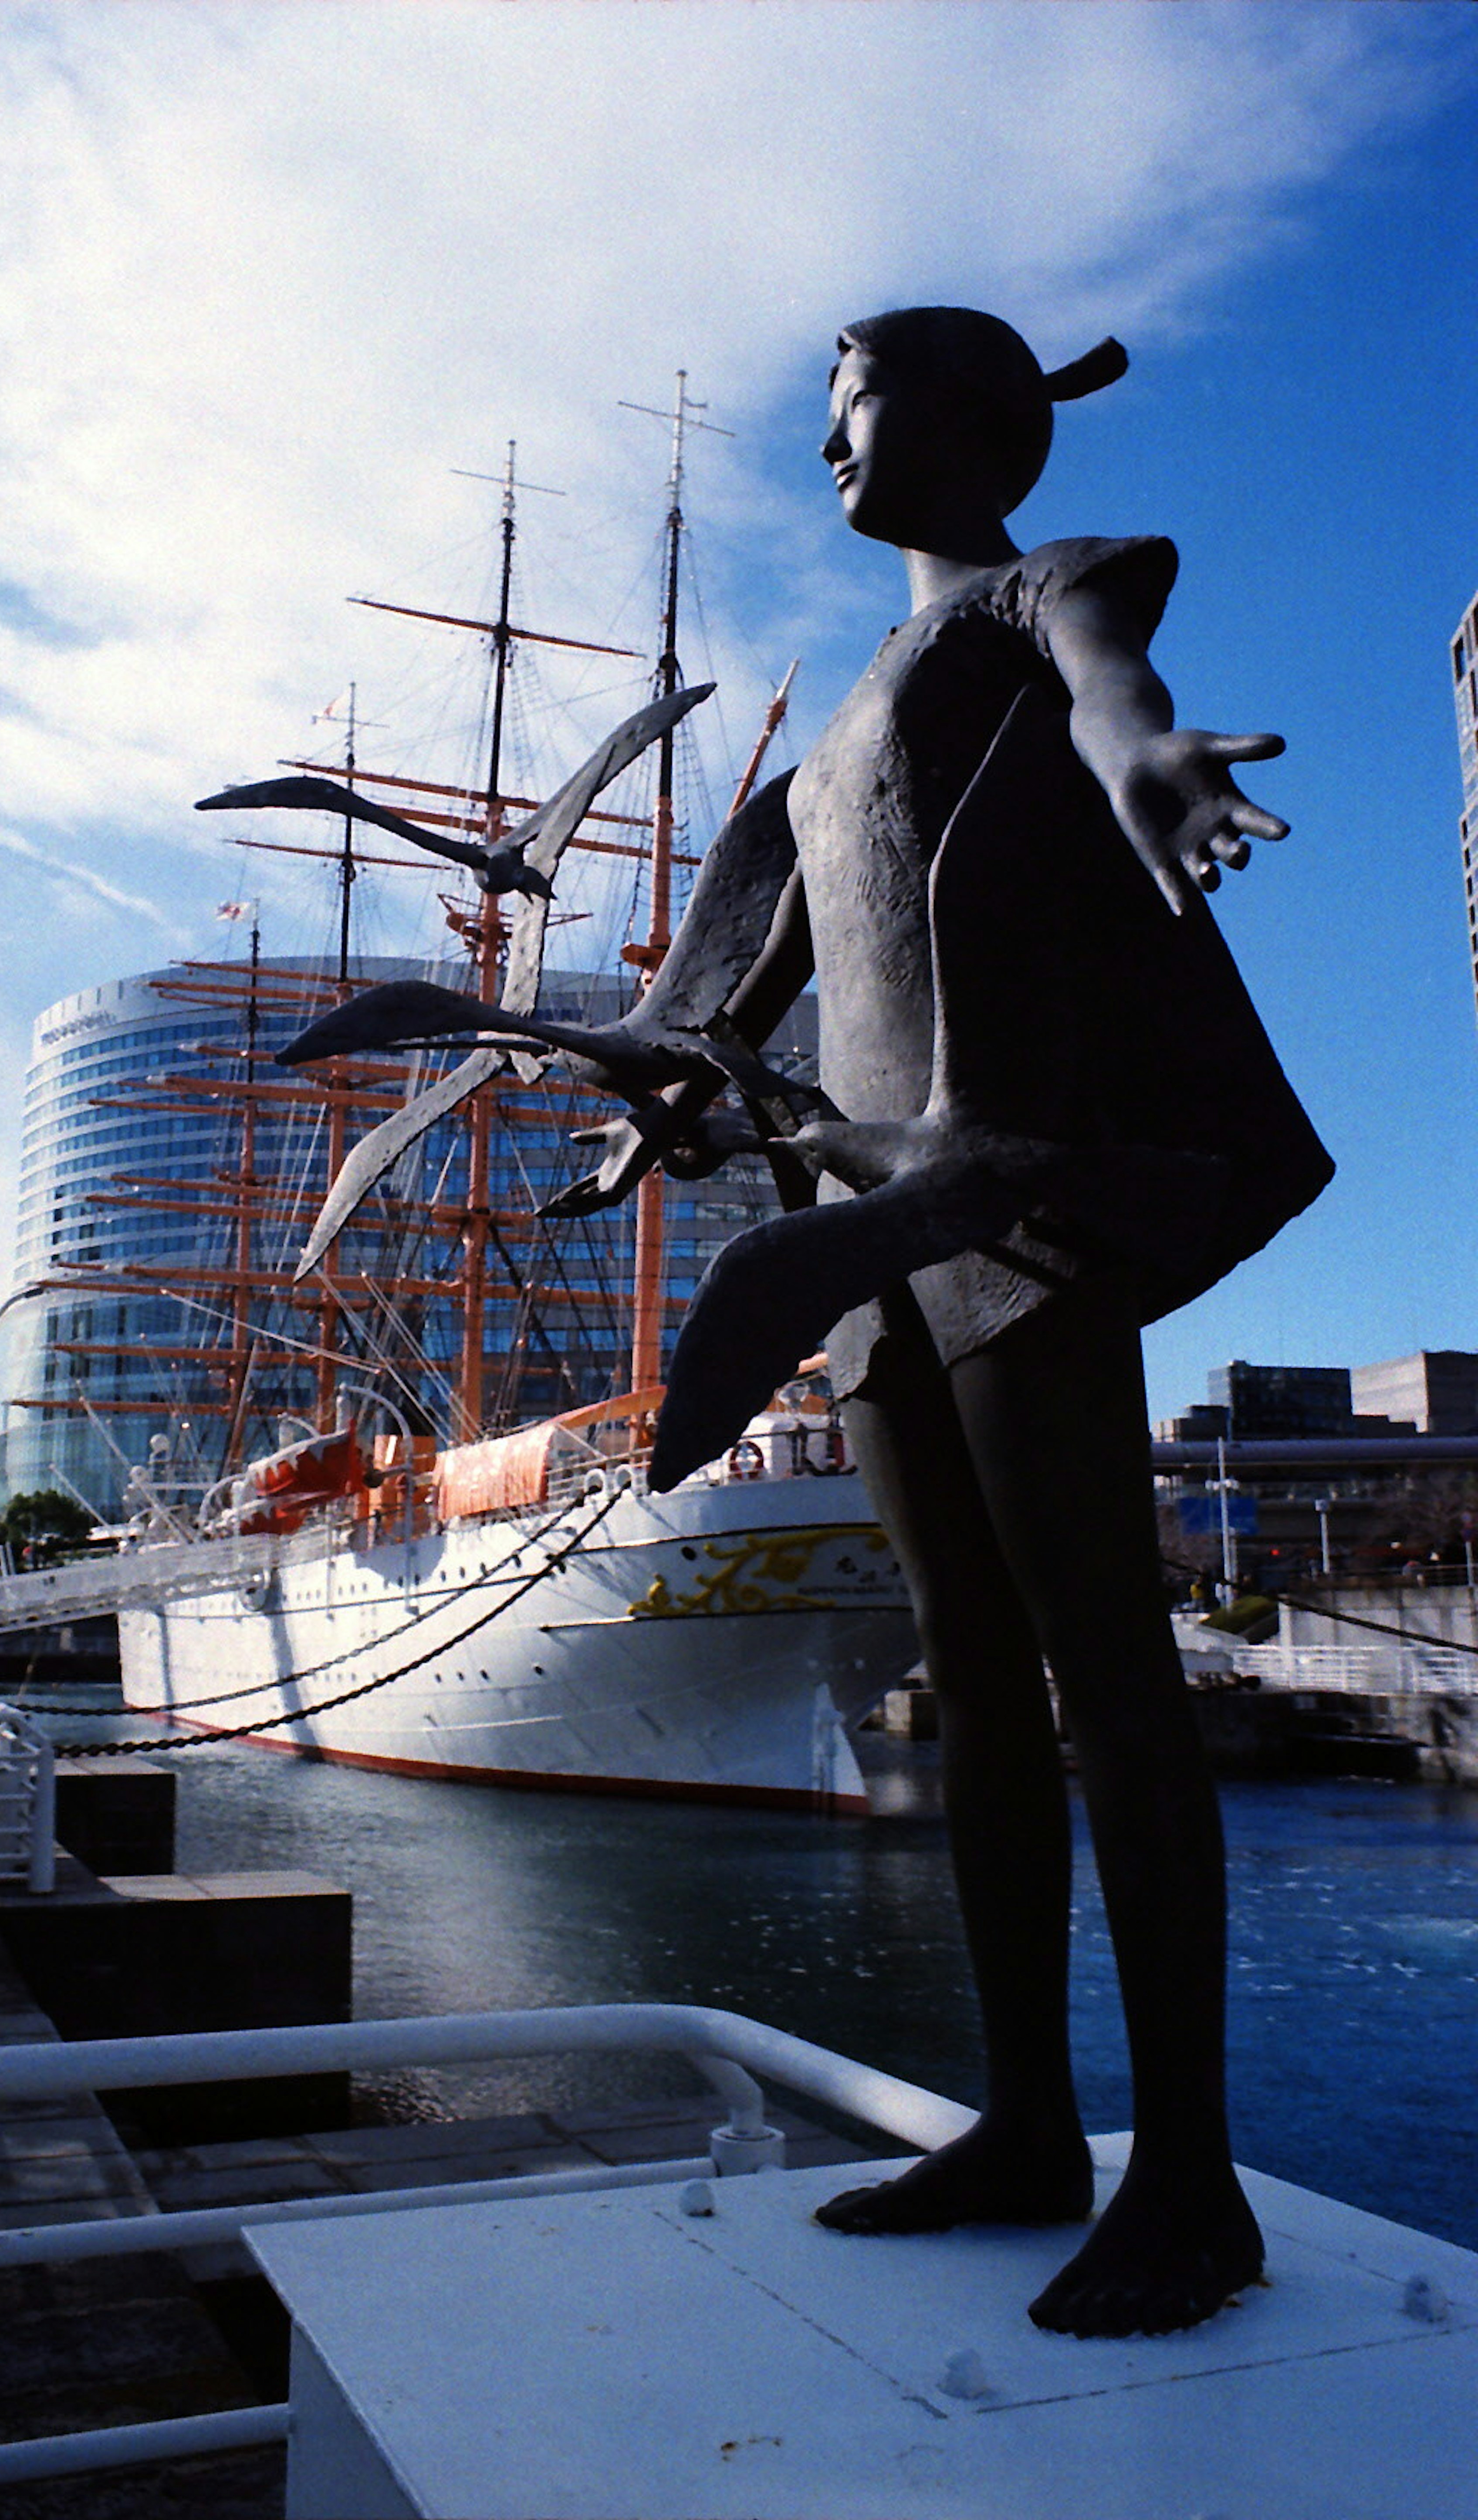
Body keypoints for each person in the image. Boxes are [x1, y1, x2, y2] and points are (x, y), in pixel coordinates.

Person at [551, 306, 1333, 2338]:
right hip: (864, 1252)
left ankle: (1192, 2177)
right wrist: (667, 1103)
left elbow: (1107, 675)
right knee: (980, 1686)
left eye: (852, 402)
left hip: (1011, 1205)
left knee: (1108, 1676)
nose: (826, 440)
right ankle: (1031, 2128)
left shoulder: (1025, 595)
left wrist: (1147, 756)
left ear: (980, 417)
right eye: (818, 414)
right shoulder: (824, 754)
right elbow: (722, 994)